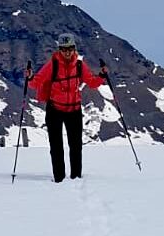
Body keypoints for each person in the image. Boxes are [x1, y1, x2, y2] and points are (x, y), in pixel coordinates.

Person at [28, 33, 106, 182]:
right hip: (55, 110)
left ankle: (76, 177)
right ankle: (59, 178)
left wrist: (101, 76)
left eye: (70, 48)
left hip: (74, 110)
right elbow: (36, 83)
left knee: (76, 146)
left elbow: (91, 82)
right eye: (64, 49)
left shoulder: (79, 65)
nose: (67, 52)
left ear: (74, 49)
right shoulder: (53, 64)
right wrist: (30, 77)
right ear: (59, 50)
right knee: (56, 147)